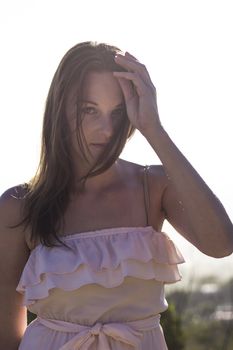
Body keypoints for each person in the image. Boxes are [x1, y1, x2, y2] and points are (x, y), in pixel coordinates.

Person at [0, 41, 232, 350]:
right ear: (60, 109)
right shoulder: (19, 207)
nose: (106, 130)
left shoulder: (153, 186)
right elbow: (4, 334)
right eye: (89, 110)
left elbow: (221, 244)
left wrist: (154, 128)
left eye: (118, 112)